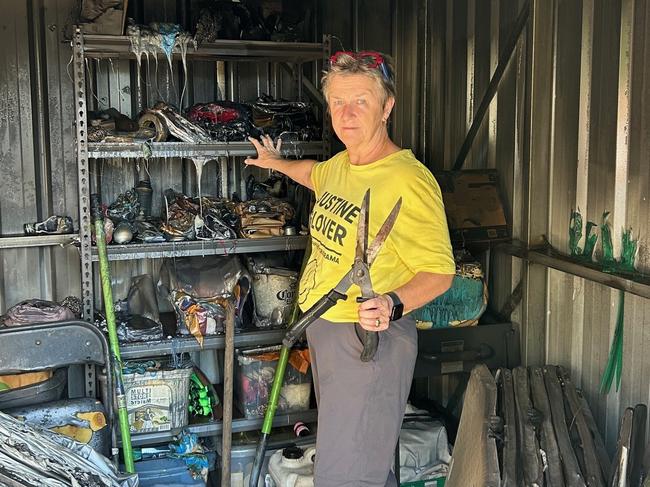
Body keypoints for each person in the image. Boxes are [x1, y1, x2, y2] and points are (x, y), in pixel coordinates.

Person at [245, 51, 455, 487]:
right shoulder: (344, 164)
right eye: (338, 102)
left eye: (360, 100)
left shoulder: (408, 180)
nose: (347, 113)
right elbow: (315, 174)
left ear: (387, 107)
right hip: (327, 327)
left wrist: (393, 305)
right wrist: (276, 164)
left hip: (368, 340)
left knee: (347, 474)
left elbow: (440, 272)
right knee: (362, 459)